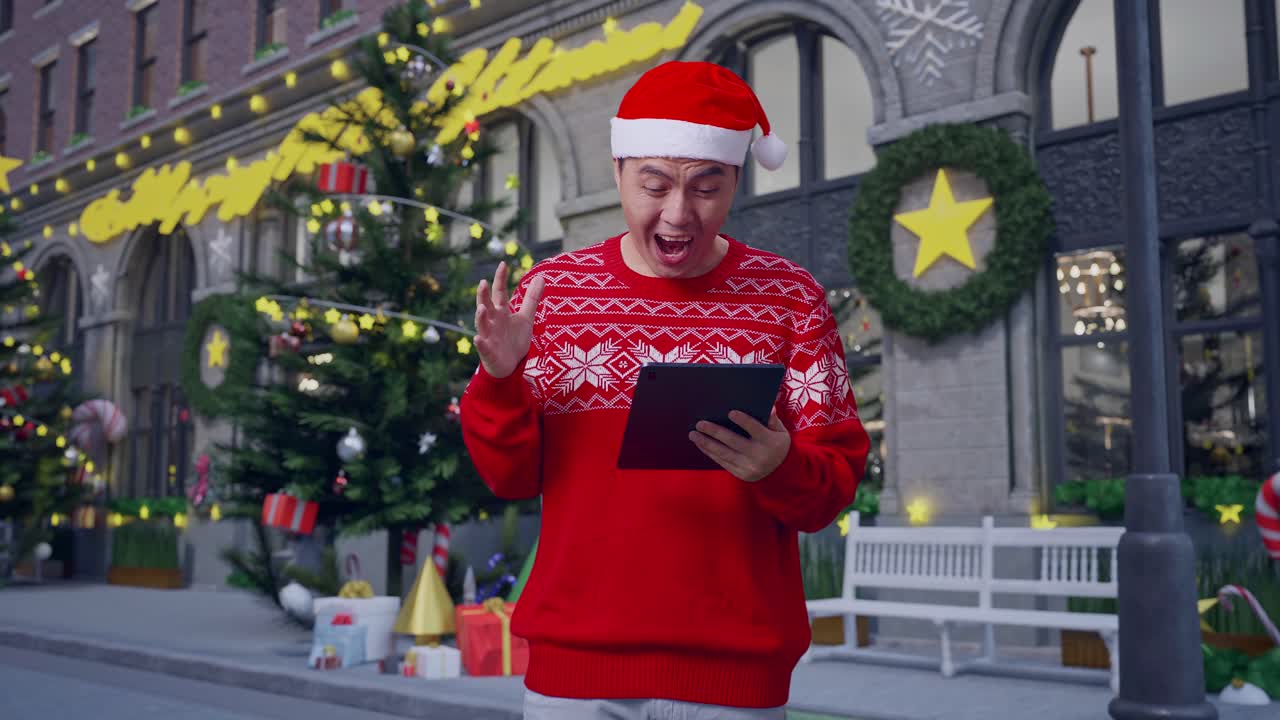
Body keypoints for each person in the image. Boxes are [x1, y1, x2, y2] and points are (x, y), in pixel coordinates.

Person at [460, 60, 870, 720]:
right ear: (618, 172)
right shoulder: (550, 296)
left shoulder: (790, 298)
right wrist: (501, 380)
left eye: (707, 188)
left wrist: (780, 466)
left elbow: (833, 487)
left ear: (736, 180)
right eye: (654, 185)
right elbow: (509, 479)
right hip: (575, 674)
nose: (678, 214)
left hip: (736, 676)